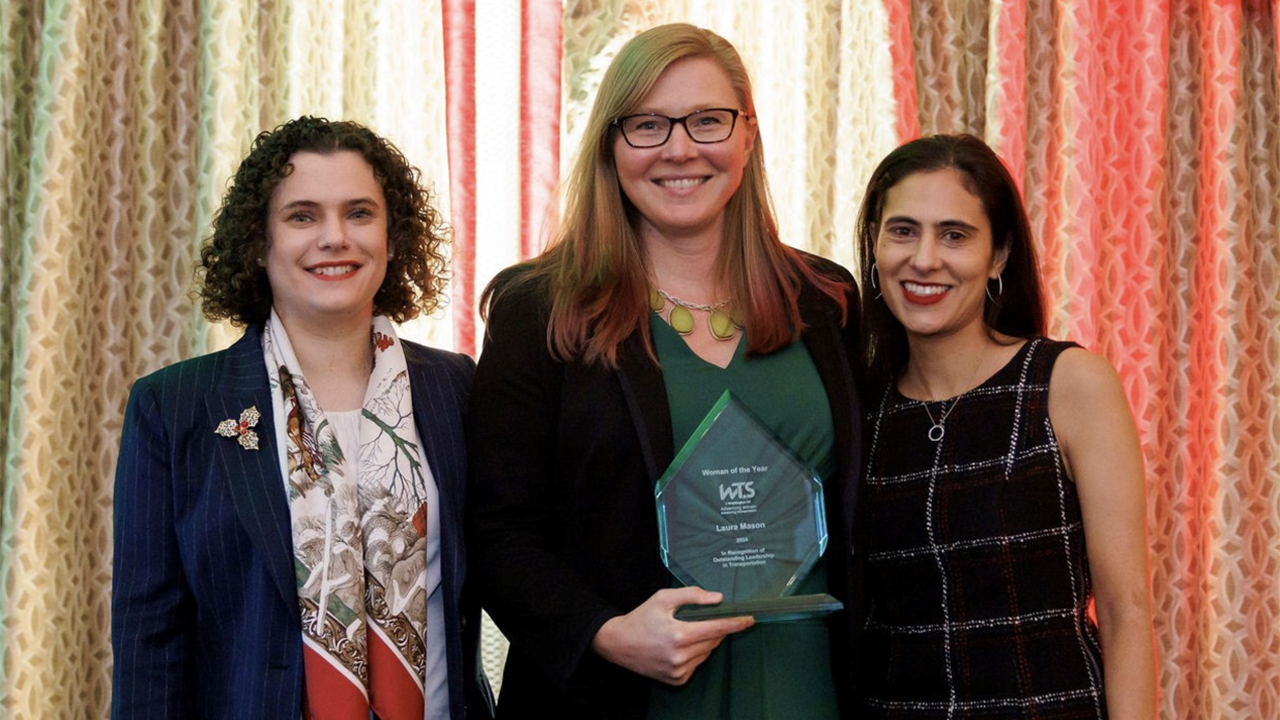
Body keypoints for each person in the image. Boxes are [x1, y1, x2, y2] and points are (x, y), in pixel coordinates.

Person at [466, 23, 863, 720]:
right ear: (611, 145)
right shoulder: (538, 311)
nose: (680, 149)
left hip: (807, 688)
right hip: (624, 698)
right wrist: (606, 634)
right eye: (648, 125)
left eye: (707, 120)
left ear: (748, 135)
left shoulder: (826, 300)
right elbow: (498, 534)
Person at [111, 116, 493, 720]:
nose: (335, 237)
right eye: (302, 216)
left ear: (393, 237)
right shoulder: (174, 406)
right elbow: (149, 640)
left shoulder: (456, 387)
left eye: (359, 213)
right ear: (259, 244)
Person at [853, 133, 1157, 718]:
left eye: (955, 235)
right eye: (903, 231)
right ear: (874, 243)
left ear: (998, 255)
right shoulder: (858, 406)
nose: (924, 259)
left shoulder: (1068, 383)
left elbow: (1127, 612)